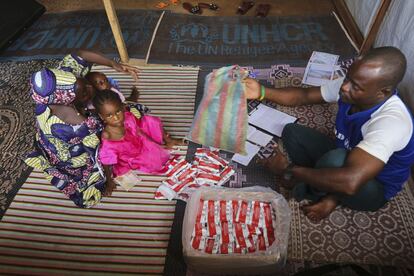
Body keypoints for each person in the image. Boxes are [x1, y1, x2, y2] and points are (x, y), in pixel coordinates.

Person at [243, 46, 414, 221]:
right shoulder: (350, 89)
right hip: (348, 155)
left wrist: (289, 170)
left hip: (375, 186)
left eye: (356, 86)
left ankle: (317, 192)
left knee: (335, 160)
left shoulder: (391, 122)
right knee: (291, 132)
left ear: (383, 92)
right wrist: (261, 92)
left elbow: (351, 182)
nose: (345, 87)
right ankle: (322, 181)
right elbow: (305, 95)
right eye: (348, 78)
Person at [25, 50, 139, 208]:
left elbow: (81, 54)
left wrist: (114, 64)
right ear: (68, 100)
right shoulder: (76, 123)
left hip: (56, 138)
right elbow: (98, 151)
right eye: (85, 92)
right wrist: (108, 179)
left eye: (84, 82)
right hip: (71, 153)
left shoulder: (63, 82)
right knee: (123, 123)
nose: (90, 88)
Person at [92, 90, 183, 190]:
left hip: (140, 141)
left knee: (152, 121)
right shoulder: (108, 136)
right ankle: (158, 146)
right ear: (102, 116)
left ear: (122, 107)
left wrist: (154, 144)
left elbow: (139, 132)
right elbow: (106, 161)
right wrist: (109, 181)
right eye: (109, 115)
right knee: (156, 161)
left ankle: (168, 139)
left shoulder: (127, 116)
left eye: (118, 111)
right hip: (132, 155)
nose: (116, 118)